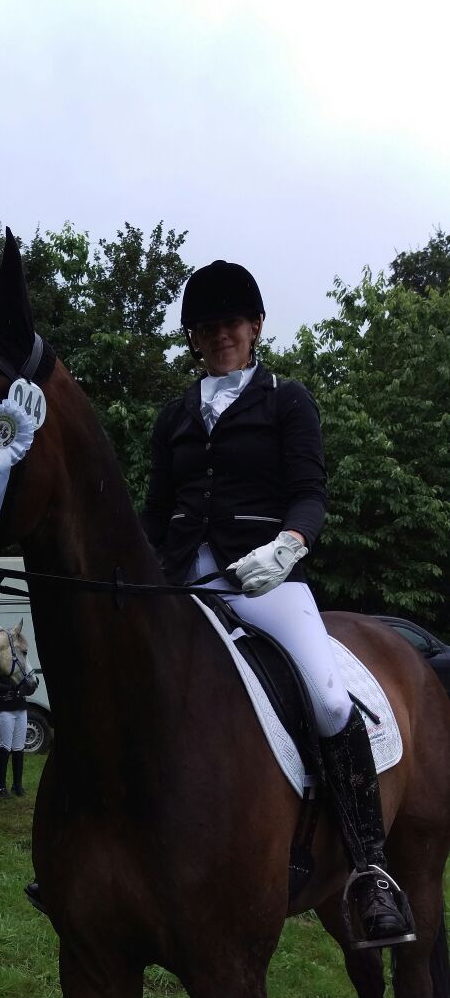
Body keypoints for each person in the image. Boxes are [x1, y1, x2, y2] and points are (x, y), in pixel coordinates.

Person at [141, 258, 414, 949]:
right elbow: (156, 510)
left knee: (327, 698)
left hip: (265, 581)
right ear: (194, 336)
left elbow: (309, 493)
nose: (220, 334)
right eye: (208, 325)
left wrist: (289, 545)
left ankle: (370, 869)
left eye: (232, 322)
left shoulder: (286, 401)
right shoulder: (175, 415)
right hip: (181, 585)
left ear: (256, 326)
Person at [0, 662, 37, 798]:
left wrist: (26, 686)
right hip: (5, 710)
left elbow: (30, 682)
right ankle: (0, 787)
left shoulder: (19, 665)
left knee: (19, 747)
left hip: (21, 709)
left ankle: (17, 785)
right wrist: (16, 687)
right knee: (4, 746)